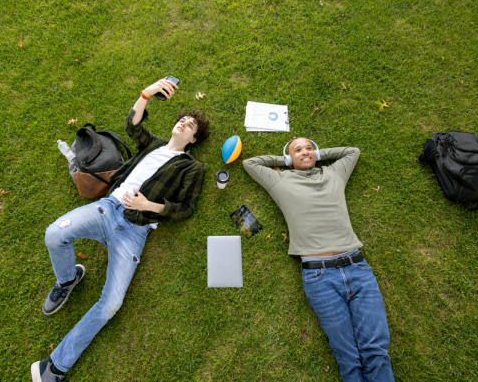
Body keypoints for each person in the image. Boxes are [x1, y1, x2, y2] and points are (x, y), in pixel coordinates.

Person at [31, 79, 210, 382]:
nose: (183, 123)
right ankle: (69, 278)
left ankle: (55, 366)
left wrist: (149, 205)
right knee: (54, 234)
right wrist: (146, 93)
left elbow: (186, 209)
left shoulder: (192, 168)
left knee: (112, 304)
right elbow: (133, 127)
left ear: (194, 138)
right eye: (181, 119)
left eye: (190, 124)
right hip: (106, 209)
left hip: (134, 231)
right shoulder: (153, 145)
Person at [243, 138, 395, 382]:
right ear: (288, 158)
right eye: (298, 149)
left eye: (309, 148)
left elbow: (352, 150)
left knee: (376, 352)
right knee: (348, 358)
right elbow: (251, 163)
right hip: (319, 276)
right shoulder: (280, 179)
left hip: (357, 266)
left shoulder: (335, 173)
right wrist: (285, 161)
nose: (305, 151)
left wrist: (317, 155)